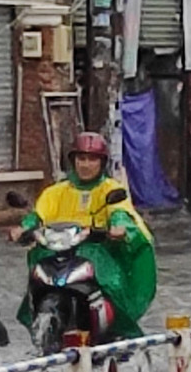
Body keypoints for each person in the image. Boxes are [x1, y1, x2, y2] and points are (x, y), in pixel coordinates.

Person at [11, 132, 156, 340]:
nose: (86, 165)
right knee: (37, 275)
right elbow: (38, 215)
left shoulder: (110, 189)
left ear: (102, 163)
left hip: (97, 250)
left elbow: (119, 212)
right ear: (73, 161)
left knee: (110, 283)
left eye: (92, 159)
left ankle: (117, 328)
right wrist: (22, 228)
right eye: (81, 159)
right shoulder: (56, 192)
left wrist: (118, 227)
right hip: (59, 249)